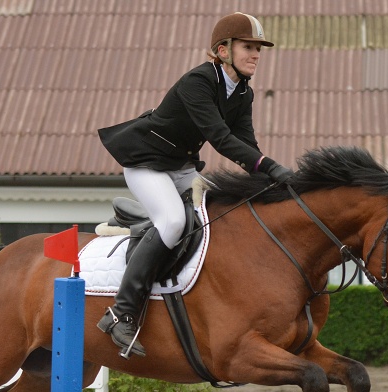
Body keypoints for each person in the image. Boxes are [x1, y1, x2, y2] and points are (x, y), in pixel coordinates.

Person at [96, 12, 293, 358]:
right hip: (146, 165)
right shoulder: (198, 82)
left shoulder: (242, 92)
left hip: (181, 168)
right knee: (173, 222)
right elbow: (220, 138)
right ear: (223, 50)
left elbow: (246, 144)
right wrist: (271, 167)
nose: (255, 55)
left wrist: (273, 182)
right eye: (248, 47)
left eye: (258, 49)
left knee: (220, 216)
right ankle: (121, 313)